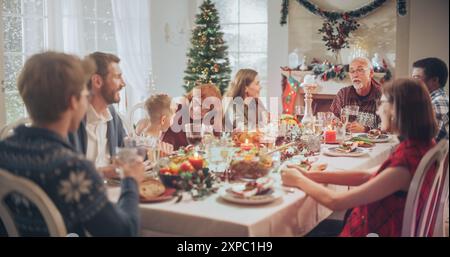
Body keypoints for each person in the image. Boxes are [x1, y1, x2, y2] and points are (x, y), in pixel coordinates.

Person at [0, 52, 144, 236]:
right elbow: (124, 232)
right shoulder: (72, 168)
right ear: (73, 102)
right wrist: (130, 181)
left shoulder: (4, 150)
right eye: (85, 95)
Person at [282, 78, 438, 237]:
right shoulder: (420, 146)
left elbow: (336, 202)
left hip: (370, 231)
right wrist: (309, 175)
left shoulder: (404, 165)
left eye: (382, 103)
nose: (377, 111)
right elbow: (367, 175)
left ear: (396, 109)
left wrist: (298, 180)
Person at [69, 52, 127, 178]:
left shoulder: (112, 115)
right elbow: (68, 174)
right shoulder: (71, 120)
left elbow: (125, 150)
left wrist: (146, 148)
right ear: (97, 81)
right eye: (118, 77)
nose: (123, 84)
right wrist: (104, 172)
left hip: (112, 189)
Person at [162, 84, 222, 150]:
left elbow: (217, 144)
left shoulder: (207, 123)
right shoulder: (174, 111)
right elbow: (162, 142)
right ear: (192, 97)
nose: (200, 111)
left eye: (206, 110)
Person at [330, 57, 382, 133]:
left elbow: (388, 129)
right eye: (352, 71)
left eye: (360, 70)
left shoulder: (382, 95)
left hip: (374, 144)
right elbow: (333, 120)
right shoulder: (343, 94)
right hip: (347, 143)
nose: (355, 75)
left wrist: (365, 130)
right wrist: (337, 124)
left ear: (371, 73)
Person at [412, 57, 449, 141]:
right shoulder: (439, 99)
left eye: (416, 78)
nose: (412, 82)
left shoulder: (436, 103)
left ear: (435, 80)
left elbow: (429, 144)